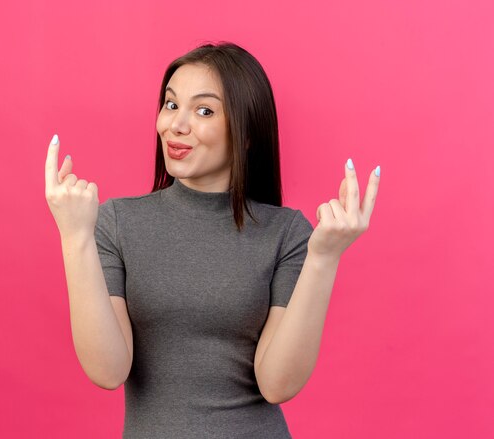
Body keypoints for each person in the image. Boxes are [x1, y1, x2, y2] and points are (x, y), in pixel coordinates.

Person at [45, 42, 380, 438]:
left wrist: (324, 258)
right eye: (171, 105)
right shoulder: (118, 223)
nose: (176, 125)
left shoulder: (286, 233)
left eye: (203, 110)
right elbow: (107, 370)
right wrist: (75, 236)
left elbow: (277, 384)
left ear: (247, 132)